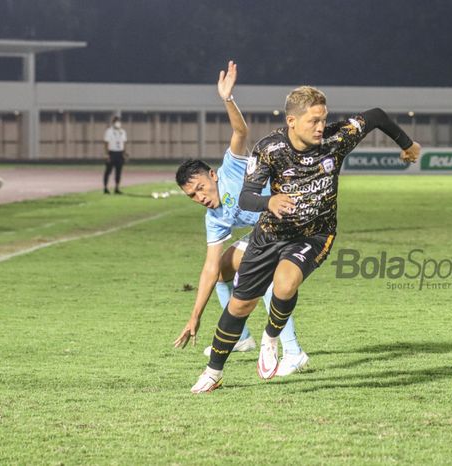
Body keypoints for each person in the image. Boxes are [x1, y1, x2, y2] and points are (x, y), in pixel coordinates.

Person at [189, 85, 422, 393]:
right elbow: (246, 198)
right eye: (313, 120)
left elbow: (377, 116)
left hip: (315, 235)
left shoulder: (336, 139)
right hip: (270, 234)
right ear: (291, 121)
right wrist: (269, 202)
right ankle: (213, 373)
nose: (321, 126)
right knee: (239, 306)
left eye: (323, 118)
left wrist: (407, 144)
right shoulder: (269, 149)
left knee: (285, 283)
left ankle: (271, 338)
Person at [172, 61, 308, 382]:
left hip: (293, 219)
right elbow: (207, 270)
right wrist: (194, 318)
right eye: (192, 196)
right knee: (221, 269)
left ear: (212, 174)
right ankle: (242, 337)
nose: (200, 197)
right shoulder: (214, 217)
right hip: (268, 233)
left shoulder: (232, 168)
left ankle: (293, 352)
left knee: (256, 269)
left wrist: (227, 99)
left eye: (200, 188)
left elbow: (240, 132)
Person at [103, 115, 128, 194]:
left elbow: (124, 142)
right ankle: (105, 188)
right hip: (112, 152)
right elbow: (106, 143)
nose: (118, 123)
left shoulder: (122, 132)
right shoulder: (109, 131)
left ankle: (117, 188)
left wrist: (124, 153)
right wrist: (107, 154)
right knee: (108, 171)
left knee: (118, 171)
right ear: (113, 123)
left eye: (119, 122)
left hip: (119, 153)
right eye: (116, 122)